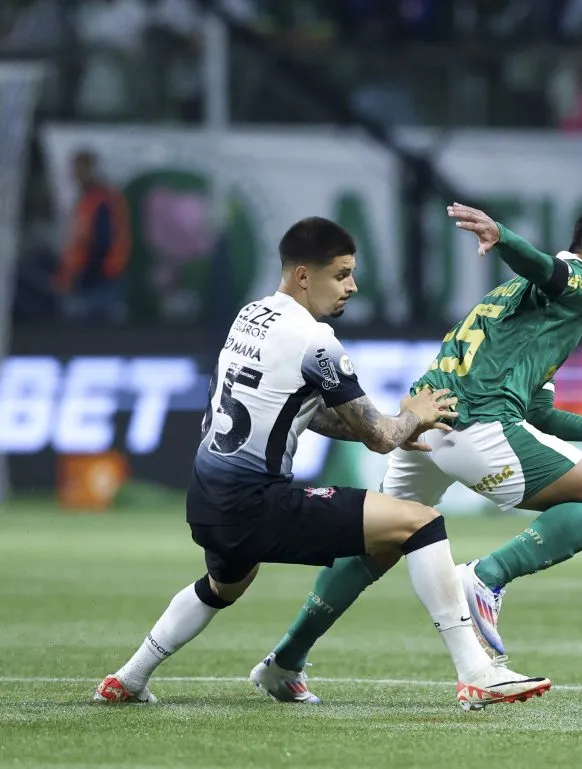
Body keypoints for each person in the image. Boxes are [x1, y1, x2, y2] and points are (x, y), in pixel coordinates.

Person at [92, 216, 551, 711]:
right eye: (342, 274)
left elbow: (303, 413)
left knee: (224, 585)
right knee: (420, 522)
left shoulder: (250, 315)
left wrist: (400, 427)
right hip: (256, 501)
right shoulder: (315, 340)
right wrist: (412, 416)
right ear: (304, 275)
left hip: (206, 498)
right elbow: (379, 437)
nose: (352, 287)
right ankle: (477, 672)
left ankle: (128, 678)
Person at [249, 204, 582, 702]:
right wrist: (503, 236)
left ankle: (285, 660)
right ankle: (486, 577)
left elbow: (541, 412)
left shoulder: (536, 308)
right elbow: (546, 267)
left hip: (427, 422)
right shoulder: (580, 283)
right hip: (478, 428)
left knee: (377, 545)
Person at [54, 149, 131, 323]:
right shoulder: (87, 199)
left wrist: (84, 272)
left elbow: (104, 240)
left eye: (80, 169)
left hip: (100, 280)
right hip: (90, 278)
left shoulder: (102, 199)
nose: (76, 175)